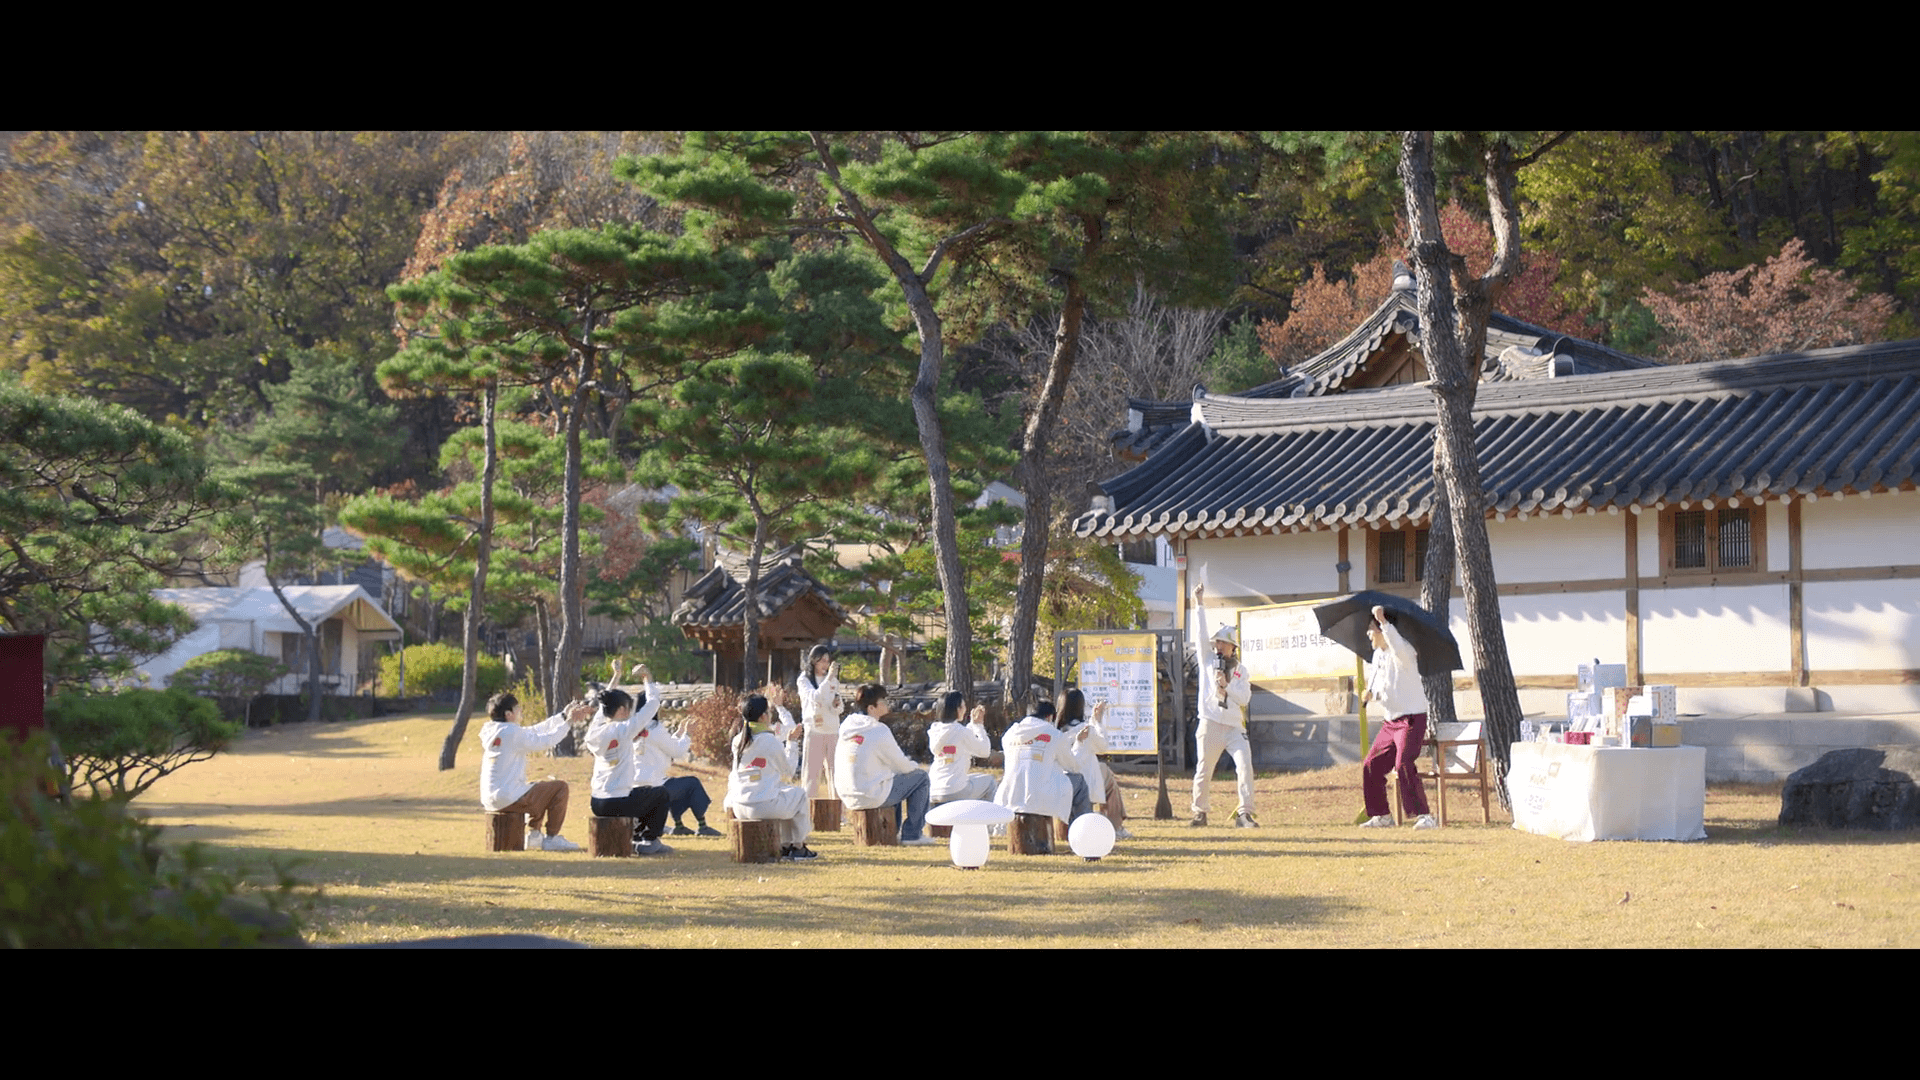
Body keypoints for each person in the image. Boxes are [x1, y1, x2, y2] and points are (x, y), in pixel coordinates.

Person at [607, 659, 719, 838]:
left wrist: (680, 732)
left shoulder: (629, 728)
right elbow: (677, 751)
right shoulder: (654, 728)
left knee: (673, 783)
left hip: (629, 788)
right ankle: (702, 825)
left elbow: (664, 748)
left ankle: (679, 825)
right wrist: (688, 734)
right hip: (653, 788)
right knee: (691, 784)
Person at [478, 692, 592, 852]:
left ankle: (535, 835)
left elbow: (534, 731)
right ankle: (551, 838)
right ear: (508, 714)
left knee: (538, 789)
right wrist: (569, 722)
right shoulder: (511, 732)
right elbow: (545, 741)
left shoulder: (497, 731)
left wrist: (563, 716)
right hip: (507, 797)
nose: (521, 711)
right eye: (517, 708)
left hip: (491, 798)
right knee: (559, 788)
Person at [1360, 605, 1438, 830]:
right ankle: (1382, 815)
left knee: (1403, 763)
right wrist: (1371, 694)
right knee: (1371, 765)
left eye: (1371, 630)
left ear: (1384, 631)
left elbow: (1396, 646)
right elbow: (1382, 687)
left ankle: (1424, 816)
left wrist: (1382, 620)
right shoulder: (1377, 656)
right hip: (1390, 721)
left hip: (1411, 719)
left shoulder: (1404, 651)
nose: (1368, 635)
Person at [835, 683, 937, 845]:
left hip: (848, 795)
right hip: (870, 794)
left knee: (893, 779)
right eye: (882, 701)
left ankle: (894, 831)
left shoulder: (846, 728)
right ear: (872, 708)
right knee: (921, 778)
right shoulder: (878, 729)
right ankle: (912, 835)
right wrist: (916, 767)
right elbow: (901, 764)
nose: (887, 704)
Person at [583, 678, 676, 856]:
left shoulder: (593, 732)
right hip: (617, 801)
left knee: (641, 793)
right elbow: (652, 705)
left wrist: (615, 679)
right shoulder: (624, 729)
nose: (629, 714)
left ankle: (637, 836)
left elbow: (602, 710)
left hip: (597, 801)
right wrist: (648, 681)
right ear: (622, 710)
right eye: (628, 709)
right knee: (660, 794)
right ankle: (649, 840)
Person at [1191, 582, 1256, 828]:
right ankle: (1199, 812)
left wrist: (1226, 685)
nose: (1218, 646)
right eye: (1216, 642)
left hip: (1234, 727)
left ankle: (1245, 813)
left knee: (1244, 767)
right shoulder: (1207, 661)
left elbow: (1244, 699)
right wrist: (1199, 603)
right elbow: (1199, 634)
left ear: (1233, 647)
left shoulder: (1241, 671)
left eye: (1222, 643)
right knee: (1204, 770)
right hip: (1210, 723)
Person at [725, 693, 817, 860]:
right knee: (800, 795)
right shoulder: (769, 740)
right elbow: (788, 771)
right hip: (762, 805)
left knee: (787, 794)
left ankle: (786, 845)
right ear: (763, 716)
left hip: (740, 806)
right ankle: (798, 846)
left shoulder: (738, 739)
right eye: (768, 712)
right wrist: (792, 743)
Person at [994, 695, 1092, 827]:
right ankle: (1083, 828)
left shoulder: (1010, 734)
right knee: (1079, 782)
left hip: (1009, 796)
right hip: (1042, 796)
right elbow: (1072, 766)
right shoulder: (1054, 734)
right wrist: (1079, 743)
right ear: (1049, 717)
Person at [1060, 690, 1131, 840]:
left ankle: (1114, 823)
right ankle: (1116, 825)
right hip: (1084, 782)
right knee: (1108, 776)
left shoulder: (1056, 730)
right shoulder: (1085, 730)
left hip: (1059, 781)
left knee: (1105, 771)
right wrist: (1097, 720)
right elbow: (1103, 746)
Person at [796, 645, 844, 803]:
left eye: (827, 661)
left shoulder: (832, 681)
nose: (825, 664)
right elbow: (815, 697)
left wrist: (837, 705)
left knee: (835, 773)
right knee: (811, 773)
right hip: (814, 730)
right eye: (822, 660)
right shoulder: (804, 679)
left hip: (832, 730)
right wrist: (829, 678)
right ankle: (807, 810)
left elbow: (838, 707)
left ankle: (838, 813)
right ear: (814, 660)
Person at [927, 691, 994, 804]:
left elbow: (960, 738)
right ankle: (990, 821)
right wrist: (979, 726)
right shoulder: (961, 732)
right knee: (990, 782)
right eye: (963, 706)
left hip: (933, 790)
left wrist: (973, 724)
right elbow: (985, 751)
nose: (965, 709)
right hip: (954, 790)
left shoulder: (934, 730)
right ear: (957, 710)